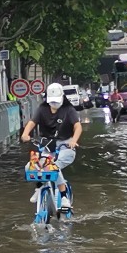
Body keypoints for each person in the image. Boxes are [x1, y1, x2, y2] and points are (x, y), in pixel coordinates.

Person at [19, 80, 81, 213]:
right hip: (47, 145)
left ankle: (64, 197)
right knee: (33, 167)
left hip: (65, 145)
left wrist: (74, 140)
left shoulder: (69, 110)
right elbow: (32, 122)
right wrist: (25, 134)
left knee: (53, 167)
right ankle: (39, 188)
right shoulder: (42, 109)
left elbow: (77, 126)